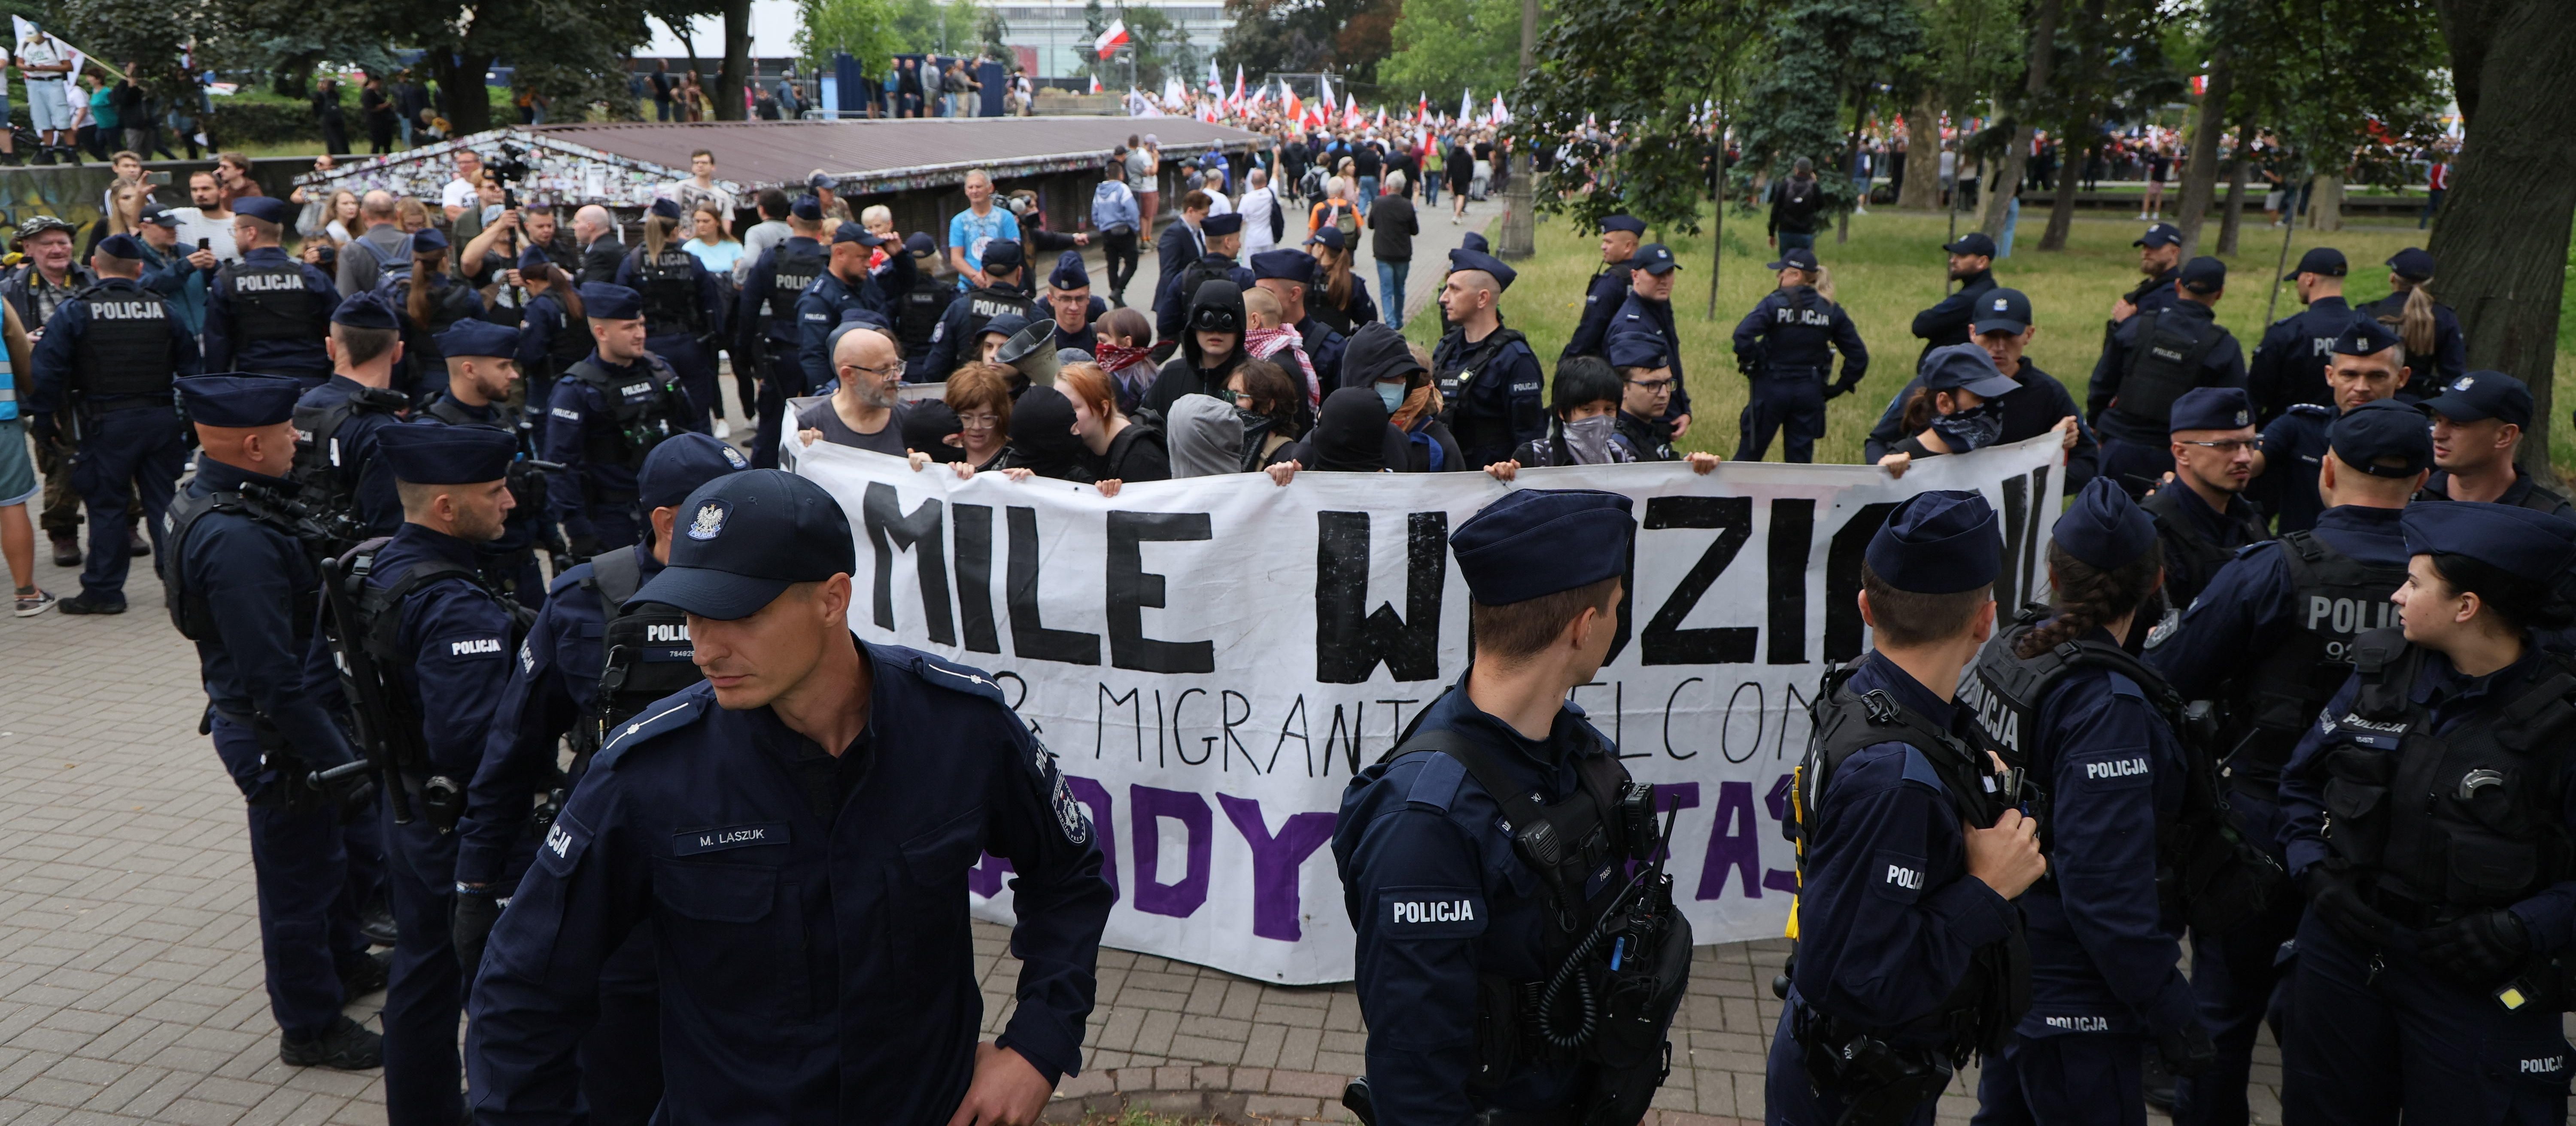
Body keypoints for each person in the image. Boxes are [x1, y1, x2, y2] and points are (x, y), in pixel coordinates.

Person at [464, 467, 1115, 1120]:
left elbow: (1070, 875)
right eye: (691, 612)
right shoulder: (648, 771)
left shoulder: (959, 726)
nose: (705, 648)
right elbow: (523, 990)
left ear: (833, 598)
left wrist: (1036, 1045)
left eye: (738, 614)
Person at [1332, 487, 1690, 1126]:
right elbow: (1415, 1082)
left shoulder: (1573, 746)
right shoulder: (1426, 823)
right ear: (1583, 625)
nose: (1617, 620)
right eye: (1615, 607)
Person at [2145, 399, 2428, 1126]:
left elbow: (2172, 676)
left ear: (2327, 468)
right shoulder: (2453, 585)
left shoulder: (2273, 567)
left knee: (2223, 1009)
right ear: (2424, 479)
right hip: (2399, 834)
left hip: (2261, 823)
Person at [453, 432, 749, 1124]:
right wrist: (476, 883)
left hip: (745, 888)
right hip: (625, 896)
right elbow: (514, 749)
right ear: (672, 522)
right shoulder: (584, 599)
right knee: (622, 1082)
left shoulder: (770, 595)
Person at [2272, 500, 2576, 1124]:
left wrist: (2522, 928)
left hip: (2471, 972)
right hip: (2347, 952)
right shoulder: (2381, 671)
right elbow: (2300, 783)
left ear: (2467, 606)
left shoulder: (2561, 718)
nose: (2397, 595)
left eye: (2414, 583)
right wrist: (2315, 873)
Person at [1767, 489, 2047, 1126]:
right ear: (1985, 622)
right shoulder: (1895, 776)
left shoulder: (1868, 692)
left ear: (1866, 606)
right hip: (1853, 1087)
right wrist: (1985, 887)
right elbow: (1859, 978)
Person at [1962, 477, 2213, 1124]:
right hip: (2077, 991)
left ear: (2052, 570)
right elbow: (2104, 889)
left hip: (2011, 961)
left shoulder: (2012, 649)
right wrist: (2169, 1005)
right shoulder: (2106, 703)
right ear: (2155, 580)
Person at [159, 374, 384, 1067]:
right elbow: (271, 674)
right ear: (253, 444)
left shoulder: (218, 497)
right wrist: (339, 760)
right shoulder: (237, 540)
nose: (297, 439)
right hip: (280, 733)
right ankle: (309, 1024)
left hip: (292, 716)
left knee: (331, 858)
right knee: (299, 880)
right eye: (287, 432)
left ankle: (344, 961)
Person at [339, 423, 526, 1126]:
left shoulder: (375, 563)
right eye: (494, 490)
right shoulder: (452, 600)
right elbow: (473, 742)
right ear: (446, 507)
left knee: (422, 973)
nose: (509, 501)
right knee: (498, 981)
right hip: (462, 828)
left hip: (406, 807)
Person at [25, 233, 199, 614]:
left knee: (107, 507)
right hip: (159, 421)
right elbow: (191, 369)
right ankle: (179, 586)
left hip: (105, 424)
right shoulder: (163, 308)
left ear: (96, 267)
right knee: (163, 505)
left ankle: (105, 591)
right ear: (139, 269)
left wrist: (42, 419)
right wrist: (191, 424)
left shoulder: (77, 309)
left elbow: (48, 369)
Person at [1865, 287, 2096, 490]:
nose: (1999, 347)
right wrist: (1888, 468)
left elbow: (2087, 462)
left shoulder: (2049, 393)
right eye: (1990, 336)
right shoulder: (1932, 384)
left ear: (2029, 334)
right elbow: (1878, 442)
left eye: (2010, 336)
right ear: (1973, 333)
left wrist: (2052, 451)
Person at [541, 283, 705, 557]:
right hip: (613, 519)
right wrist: (579, 530)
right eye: (629, 328)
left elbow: (695, 434)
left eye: (641, 325)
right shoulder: (576, 390)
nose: (641, 334)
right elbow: (560, 467)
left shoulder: (660, 372)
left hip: (672, 511)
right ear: (601, 332)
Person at [417, 319, 552, 605]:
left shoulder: (505, 417)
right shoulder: (436, 430)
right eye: (503, 366)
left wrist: (555, 543)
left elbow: (531, 479)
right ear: (469, 369)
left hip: (525, 565)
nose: (513, 375)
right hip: (478, 574)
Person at [2087, 256, 2245, 491]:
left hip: (2120, 447)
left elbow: (2102, 382)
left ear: (2178, 285)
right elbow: (2232, 409)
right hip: (2178, 458)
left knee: (2105, 521)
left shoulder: (2137, 326)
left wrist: (2095, 423)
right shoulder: (2223, 346)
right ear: (2220, 294)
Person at [2250, 317, 2409, 535]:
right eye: (2349, 375)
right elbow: (2248, 464)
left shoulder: (2417, 439)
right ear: (2330, 376)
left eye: (2377, 376)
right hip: (2304, 563)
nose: (2361, 387)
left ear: (2401, 377)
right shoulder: (2300, 426)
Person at [295, 292, 413, 547]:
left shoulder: (299, 406)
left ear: (331, 347)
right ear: (397, 352)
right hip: (353, 573)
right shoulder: (383, 432)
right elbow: (390, 535)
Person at [1731, 247, 1867, 463]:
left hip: (1771, 389)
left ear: (1795, 274)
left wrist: (1753, 360)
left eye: (1781, 272)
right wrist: (1837, 388)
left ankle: (1736, 497)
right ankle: (1797, 499)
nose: (1778, 277)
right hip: (1808, 392)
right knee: (1800, 464)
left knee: (1748, 458)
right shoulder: (1830, 309)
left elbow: (1742, 335)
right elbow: (1859, 356)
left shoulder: (1775, 302)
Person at [2142, 387, 2268, 615]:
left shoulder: (2252, 522)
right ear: (2181, 453)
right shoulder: (2152, 534)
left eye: (2250, 444)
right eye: (2226, 446)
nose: (2244, 457)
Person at [204, 196, 338, 389]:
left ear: (251, 233)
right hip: (311, 384)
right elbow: (340, 326)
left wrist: (216, 390)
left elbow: (217, 344)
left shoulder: (228, 279)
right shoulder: (310, 275)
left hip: (255, 386)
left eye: (235, 231)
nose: (234, 237)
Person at [616, 198, 727, 429]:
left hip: (649, 347)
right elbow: (712, 309)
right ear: (675, 229)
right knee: (697, 414)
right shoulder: (692, 262)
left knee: (655, 415)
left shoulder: (633, 263)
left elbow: (621, 310)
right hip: (690, 345)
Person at [1428, 246, 1542, 468]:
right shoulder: (1446, 348)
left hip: (1492, 486)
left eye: (1454, 289)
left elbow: (1529, 439)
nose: (1443, 298)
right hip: (1447, 476)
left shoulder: (1516, 359)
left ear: (1482, 299)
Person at [738, 196, 829, 468]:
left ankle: (758, 489)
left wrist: (743, 356)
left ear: (790, 222)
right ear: (821, 225)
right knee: (824, 425)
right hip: (820, 354)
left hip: (781, 354)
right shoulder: (829, 259)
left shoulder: (772, 257)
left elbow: (749, 309)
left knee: (771, 426)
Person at [1874, 343, 2030, 478]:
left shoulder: (1988, 450)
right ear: (1944, 403)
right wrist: (1883, 474)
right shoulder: (1905, 461)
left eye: (1995, 395)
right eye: (1980, 396)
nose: (1992, 405)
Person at [2246, 247, 2354, 426]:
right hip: (2351, 430)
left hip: (2290, 435)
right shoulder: (2366, 327)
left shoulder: (2289, 332)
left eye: (2298, 279)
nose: (2297, 285)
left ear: (2309, 279)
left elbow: (2256, 394)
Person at [383, 229, 487, 403]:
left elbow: (397, 353)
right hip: (463, 380)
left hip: (420, 384)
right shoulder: (468, 297)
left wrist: (398, 394)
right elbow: (484, 341)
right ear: (445, 260)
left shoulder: (402, 299)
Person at [1607, 243, 1695, 439]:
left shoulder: (1661, 306)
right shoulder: (1631, 325)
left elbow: (1671, 364)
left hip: (1665, 418)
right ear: (1635, 276)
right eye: (1657, 275)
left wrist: (1684, 409)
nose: (1664, 281)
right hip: (1645, 427)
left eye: (1669, 273)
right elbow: (1633, 390)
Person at [2358, 248, 2467, 400]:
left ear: (2393, 278)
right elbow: (2453, 373)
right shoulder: (2443, 317)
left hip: (2371, 399)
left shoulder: (2368, 313)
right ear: (2430, 282)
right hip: (2418, 403)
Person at [921, 237, 1036, 381]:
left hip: (968, 398)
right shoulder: (1034, 314)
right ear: (1020, 274)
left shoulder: (960, 308)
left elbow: (934, 369)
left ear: (982, 272)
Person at [795, 325, 909, 456]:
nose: (897, 377)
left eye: (897, 366)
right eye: (884, 370)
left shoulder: (911, 420)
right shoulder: (809, 426)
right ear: (849, 375)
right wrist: (813, 453)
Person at [1251, 248, 1347, 398]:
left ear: (1294, 294)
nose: (1258, 298)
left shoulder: (1332, 349)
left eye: (1267, 292)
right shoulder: (1251, 340)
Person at [1145, 280, 1249, 417]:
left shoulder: (1254, 379)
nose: (1216, 332)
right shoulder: (1172, 375)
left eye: (1227, 321)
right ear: (1193, 327)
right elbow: (1145, 424)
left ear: (1239, 330)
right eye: (1206, 320)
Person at [1060, 361, 1167, 489]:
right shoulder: (1073, 445)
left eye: (1073, 407)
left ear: (1103, 409)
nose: (1062, 415)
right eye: (1058, 407)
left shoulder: (1141, 458)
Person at [1562, 215, 1647, 363]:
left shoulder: (1613, 280)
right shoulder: (1647, 276)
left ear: (1628, 246)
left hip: (1608, 361)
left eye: (1609, 242)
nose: (1603, 247)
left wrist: (1570, 359)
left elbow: (1592, 325)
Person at [1909, 232, 1999, 367]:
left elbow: (1921, 325)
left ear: (1982, 262)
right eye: (1954, 255)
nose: (1953, 260)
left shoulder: (1968, 299)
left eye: (1962, 256)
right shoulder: (1990, 289)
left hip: (1951, 374)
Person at [2105, 223, 2185, 362]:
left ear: (2174, 252)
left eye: (2155, 248)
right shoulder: (2147, 288)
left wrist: (2126, 321)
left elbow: (2165, 340)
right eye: (2145, 247)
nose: (2146, 253)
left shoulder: (2174, 292)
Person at [1606, 331, 1683, 463]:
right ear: (1622, 388)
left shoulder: (1649, 431)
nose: (1664, 394)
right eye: (1652, 385)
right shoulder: (1616, 447)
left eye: (1668, 383)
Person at [946, 169, 1021, 291]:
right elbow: (956, 258)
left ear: (990, 188)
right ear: (966, 191)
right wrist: (976, 277)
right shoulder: (958, 221)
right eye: (970, 187)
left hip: (1001, 285)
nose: (974, 191)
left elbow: (1014, 251)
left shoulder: (1006, 217)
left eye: (979, 187)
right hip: (968, 286)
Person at [1304, 227, 1379, 338]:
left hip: (1302, 347)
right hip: (1338, 349)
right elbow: (1370, 320)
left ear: (1321, 249)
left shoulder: (1303, 277)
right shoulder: (1352, 282)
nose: (1311, 249)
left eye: (1313, 245)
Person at [1367, 171, 1418, 329]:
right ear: (1402, 188)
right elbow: (1415, 230)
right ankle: (1399, 319)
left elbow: (1370, 224)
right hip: (1402, 254)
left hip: (1383, 253)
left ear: (1388, 187)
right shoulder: (1408, 205)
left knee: (1386, 289)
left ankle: (1390, 323)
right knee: (1400, 289)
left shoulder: (1378, 203)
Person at [337, 192, 409, 297]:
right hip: (413, 311)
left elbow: (346, 297)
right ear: (398, 214)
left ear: (363, 215)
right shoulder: (417, 244)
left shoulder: (351, 251)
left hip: (371, 312)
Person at [1092, 158, 1142, 307]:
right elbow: (1132, 212)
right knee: (1132, 263)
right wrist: (1135, 228)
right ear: (1121, 174)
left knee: (1112, 265)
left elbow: (1094, 214)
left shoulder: (1099, 191)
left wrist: (1102, 227)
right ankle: (1119, 291)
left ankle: (1116, 294)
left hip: (1107, 232)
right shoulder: (1123, 189)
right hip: (1124, 231)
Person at [1768, 157, 1826, 252]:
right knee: (1804, 264)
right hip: (1805, 231)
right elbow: (1821, 205)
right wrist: (1815, 183)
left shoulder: (1786, 184)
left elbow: (1776, 209)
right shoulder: (1813, 186)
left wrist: (1772, 233)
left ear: (1796, 169)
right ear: (1810, 171)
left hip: (1786, 231)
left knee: (1786, 264)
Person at [680, 200, 743, 280]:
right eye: (698, 221)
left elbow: (741, 274)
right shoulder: (689, 248)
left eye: (706, 221)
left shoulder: (735, 246)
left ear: (718, 222)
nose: (701, 225)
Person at [574, 204, 625, 286]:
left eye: (577, 222)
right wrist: (571, 278)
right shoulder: (613, 245)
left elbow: (591, 288)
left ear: (590, 226)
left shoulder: (599, 253)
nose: (574, 227)